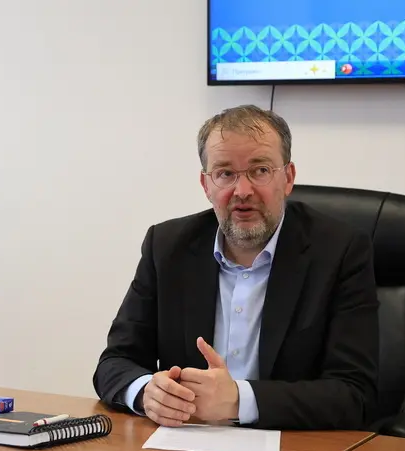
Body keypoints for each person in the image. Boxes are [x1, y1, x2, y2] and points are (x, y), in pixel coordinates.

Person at [92, 105, 379, 430]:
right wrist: (147, 392)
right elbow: (115, 362)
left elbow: (356, 394)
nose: (242, 191)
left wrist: (239, 400)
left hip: (294, 447)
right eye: (225, 173)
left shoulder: (340, 251)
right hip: (186, 445)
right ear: (206, 185)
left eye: (260, 170)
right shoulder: (167, 247)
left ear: (288, 178)